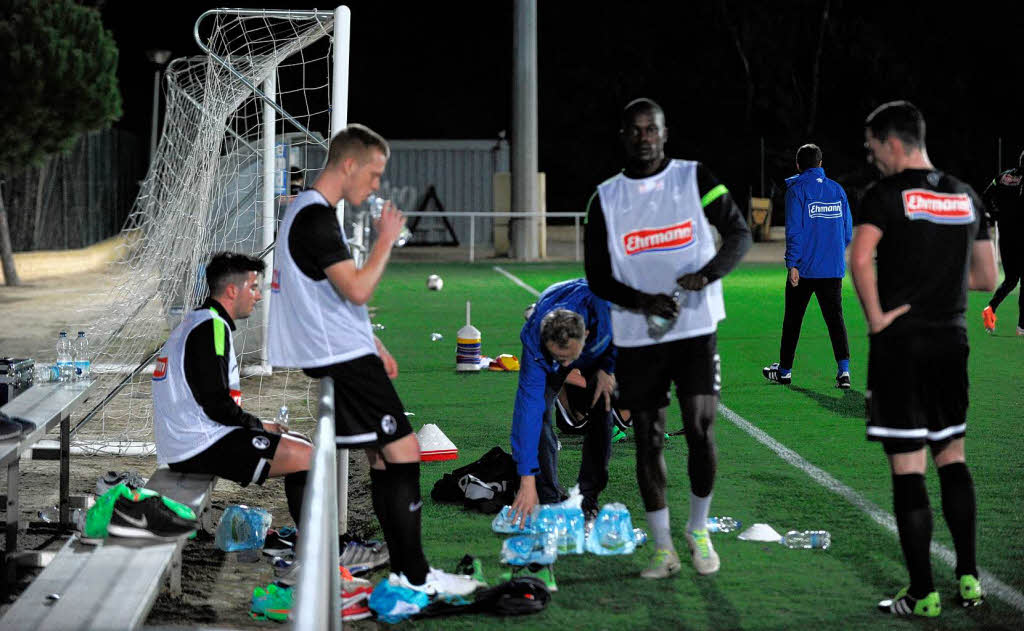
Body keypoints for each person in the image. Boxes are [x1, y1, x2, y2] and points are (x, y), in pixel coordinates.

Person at [266, 124, 478, 597]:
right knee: (404, 452)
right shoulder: (316, 218)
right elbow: (357, 288)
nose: (377, 185)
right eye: (375, 173)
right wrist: (386, 240)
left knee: (384, 456)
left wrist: (372, 342)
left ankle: (406, 574)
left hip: (343, 351)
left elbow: (334, 297)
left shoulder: (309, 213)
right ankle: (416, 577)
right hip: (340, 358)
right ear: (349, 164)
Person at [584, 98, 752, 578]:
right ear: (623, 135)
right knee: (647, 437)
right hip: (638, 337)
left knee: (700, 428)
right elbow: (597, 275)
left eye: (651, 129)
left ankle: (698, 530)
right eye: (635, 130)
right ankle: (663, 549)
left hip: (696, 330)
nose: (645, 137)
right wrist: (642, 301)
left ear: (664, 132)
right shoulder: (605, 198)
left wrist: (707, 274)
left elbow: (739, 233)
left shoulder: (693, 178)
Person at [851, 101, 997, 618]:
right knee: (952, 457)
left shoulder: (884, 195)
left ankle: (922, 594)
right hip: (951, 344)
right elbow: (987, 278)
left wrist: (876, 318)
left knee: (908, 466)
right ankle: (970, 580)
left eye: (873, 148)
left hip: (901, 347)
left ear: (894, 142)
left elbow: (860, 255)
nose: (872, 159)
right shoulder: (966, 195)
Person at [152, 252, 312, 529]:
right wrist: (258, 425)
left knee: (301, 442)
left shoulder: (199, 321)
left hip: (191, 440)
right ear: (231, 290)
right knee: (307, 457)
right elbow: (215, 403)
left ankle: (306, 542)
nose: (259, 296)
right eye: (253, 288)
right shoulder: (211, 327)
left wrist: (261, 426)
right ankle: (314, 552)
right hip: (197, 445)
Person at [508, 278, 616, 529]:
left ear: (587, 335)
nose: (565, 367)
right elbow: (527, 412)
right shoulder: (536, 342)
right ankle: (548, 497)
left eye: (568, 358)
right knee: (541, 411)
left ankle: (588, 499)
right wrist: (526, 480)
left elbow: (621, 338)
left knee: (603, 404)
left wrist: (606, 368)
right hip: (553, 315)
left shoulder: (605, 318)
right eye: (558, 357)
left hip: (596, 346)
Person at [763, 143, 853, 388]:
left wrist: (792, 264)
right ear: (821, 164)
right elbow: (847, 232)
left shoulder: (796, 190)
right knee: (836, 319)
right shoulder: (838, 190)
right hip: (832, 269)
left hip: (803, 270)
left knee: (793, 320)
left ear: (798, 165)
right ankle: (844, 372)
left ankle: (785, 371)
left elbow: (795, 231)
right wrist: (832, 253)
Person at [980, 149, 1024, 335]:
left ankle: (990, 308)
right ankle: (1022, 326)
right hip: (1021, 235)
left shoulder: (1003, 176)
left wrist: (997, 214)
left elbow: (985, 197)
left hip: (1005, 234)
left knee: (1011, 279)